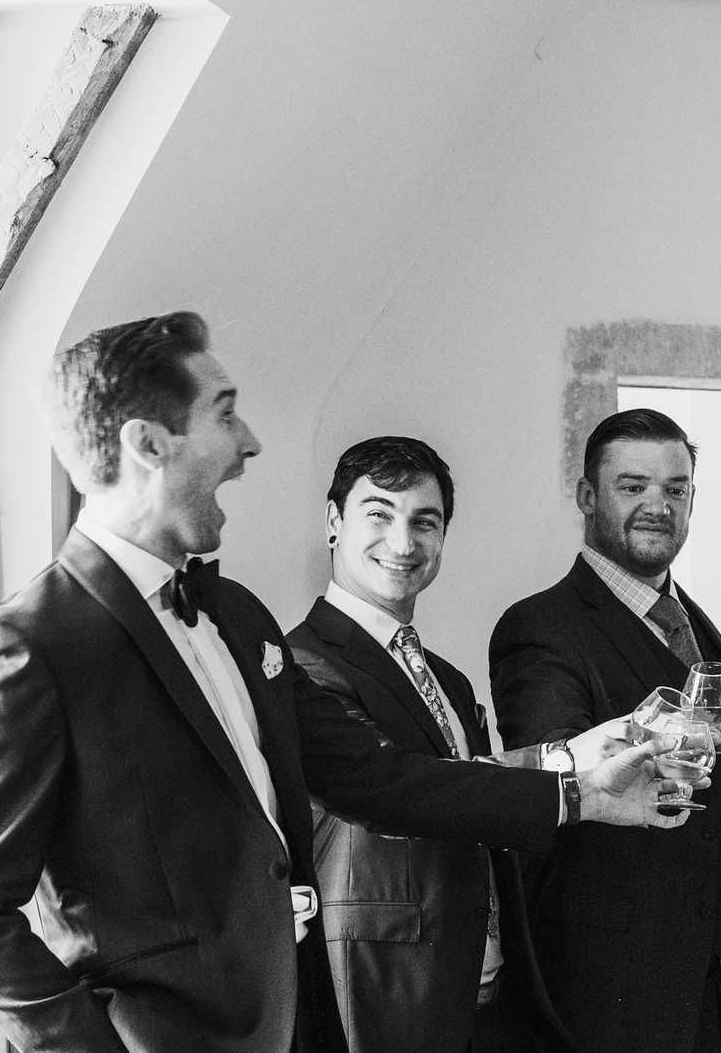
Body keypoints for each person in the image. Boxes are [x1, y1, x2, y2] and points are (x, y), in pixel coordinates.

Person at [0, 313, 684, 1053]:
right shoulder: (31, 646)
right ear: (147, 443)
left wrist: (581, 789)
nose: (249, 443)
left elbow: (380, 777)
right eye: (224, 412)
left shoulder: (237, 617)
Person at [490, 409, 721, 1053]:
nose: (658, 506)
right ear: (586, 497)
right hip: (621, 1007)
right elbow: (561, 785)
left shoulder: (705, 633)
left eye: (676, 489)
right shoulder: (541, 629)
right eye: (633, 487)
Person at [287, 437, 575, 1052]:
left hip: (484, 988)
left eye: (426, 521)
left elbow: (475, 796)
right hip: (385, 991)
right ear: (335, 523)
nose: (403, 542)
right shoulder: (301, 664)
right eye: (379, 514)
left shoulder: (447, 677)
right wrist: (569, 776)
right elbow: (403, 788)